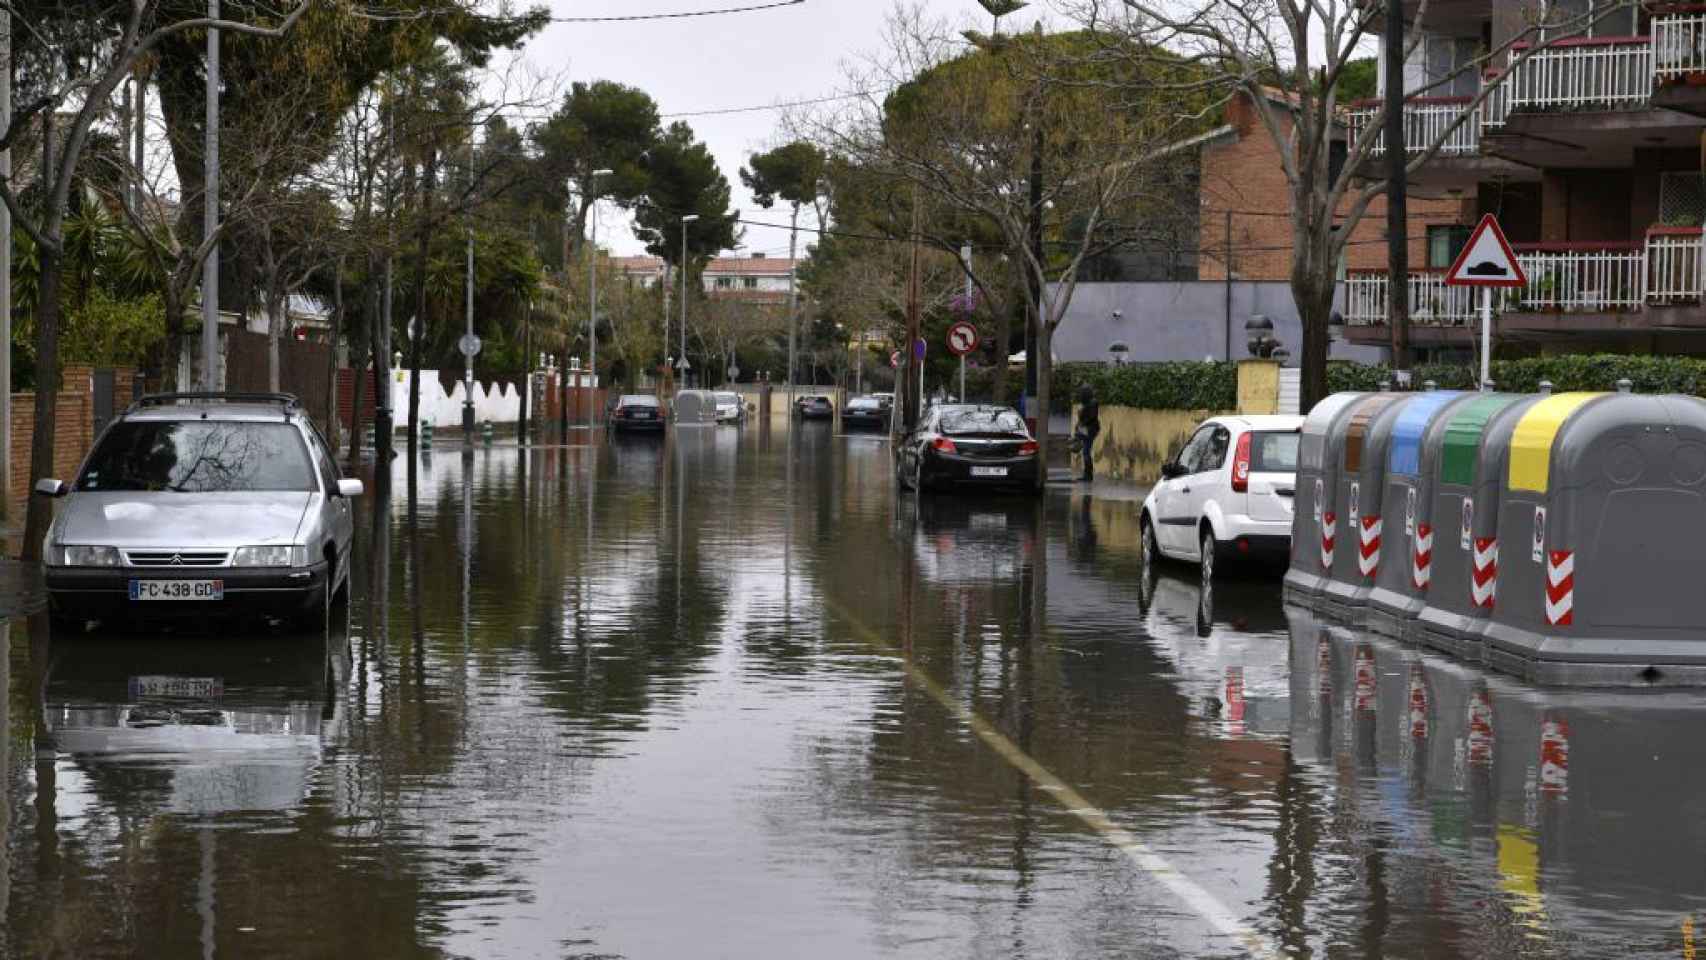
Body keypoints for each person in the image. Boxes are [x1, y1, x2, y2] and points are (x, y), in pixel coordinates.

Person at [1075, 383, 1100, 483]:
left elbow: (1092, 417)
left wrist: (1083, 424)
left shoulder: (1093, 403)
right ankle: (1087, 474)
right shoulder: (1085, 404)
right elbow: (1082, 417)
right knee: (1085, 451)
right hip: (1087, 429)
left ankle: (1088, 475)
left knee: (1086, 452)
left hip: (1091, 430)